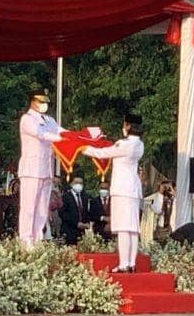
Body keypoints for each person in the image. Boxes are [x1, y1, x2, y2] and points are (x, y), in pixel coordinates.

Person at [83, 115, 145, 273]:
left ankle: (124, 264)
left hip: (122, 189)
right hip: (133, 189)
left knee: (124, 227)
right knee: (132, 228)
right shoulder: (140, 144)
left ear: (128, 126)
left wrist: (83, 148)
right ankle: (131, 262)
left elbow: (103, 153)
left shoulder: (124, 144)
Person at [17, 89, 64, 246]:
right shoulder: (27, 119)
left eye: (45, 102)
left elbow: (62, 132)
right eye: (41, 101)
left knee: (42, 209)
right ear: (33, 102)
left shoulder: (49, 120)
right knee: (29, 207)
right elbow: (41, 134)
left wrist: (81, 137)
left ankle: (38, 239)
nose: (44, 105)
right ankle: (26, 241)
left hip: (47, 169)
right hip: (31, 170)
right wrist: (62, 139)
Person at [59, 177, 90, 245]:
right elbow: (62, 213)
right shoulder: (65, 197)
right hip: (68, 231)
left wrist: (87, 223)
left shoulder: (85, 197)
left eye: (80, 183)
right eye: (76, 182)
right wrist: (76, 223)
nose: (78, 185)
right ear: (71, 184)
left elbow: (86, 212)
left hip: (81, 232)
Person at [142, 181, 169, 247]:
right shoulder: (156, 195)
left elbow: (158, 210)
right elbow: (146, 201)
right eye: (162, 186)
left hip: (161, 223)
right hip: (153, 222)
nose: (163, 188)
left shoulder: (166, 198)